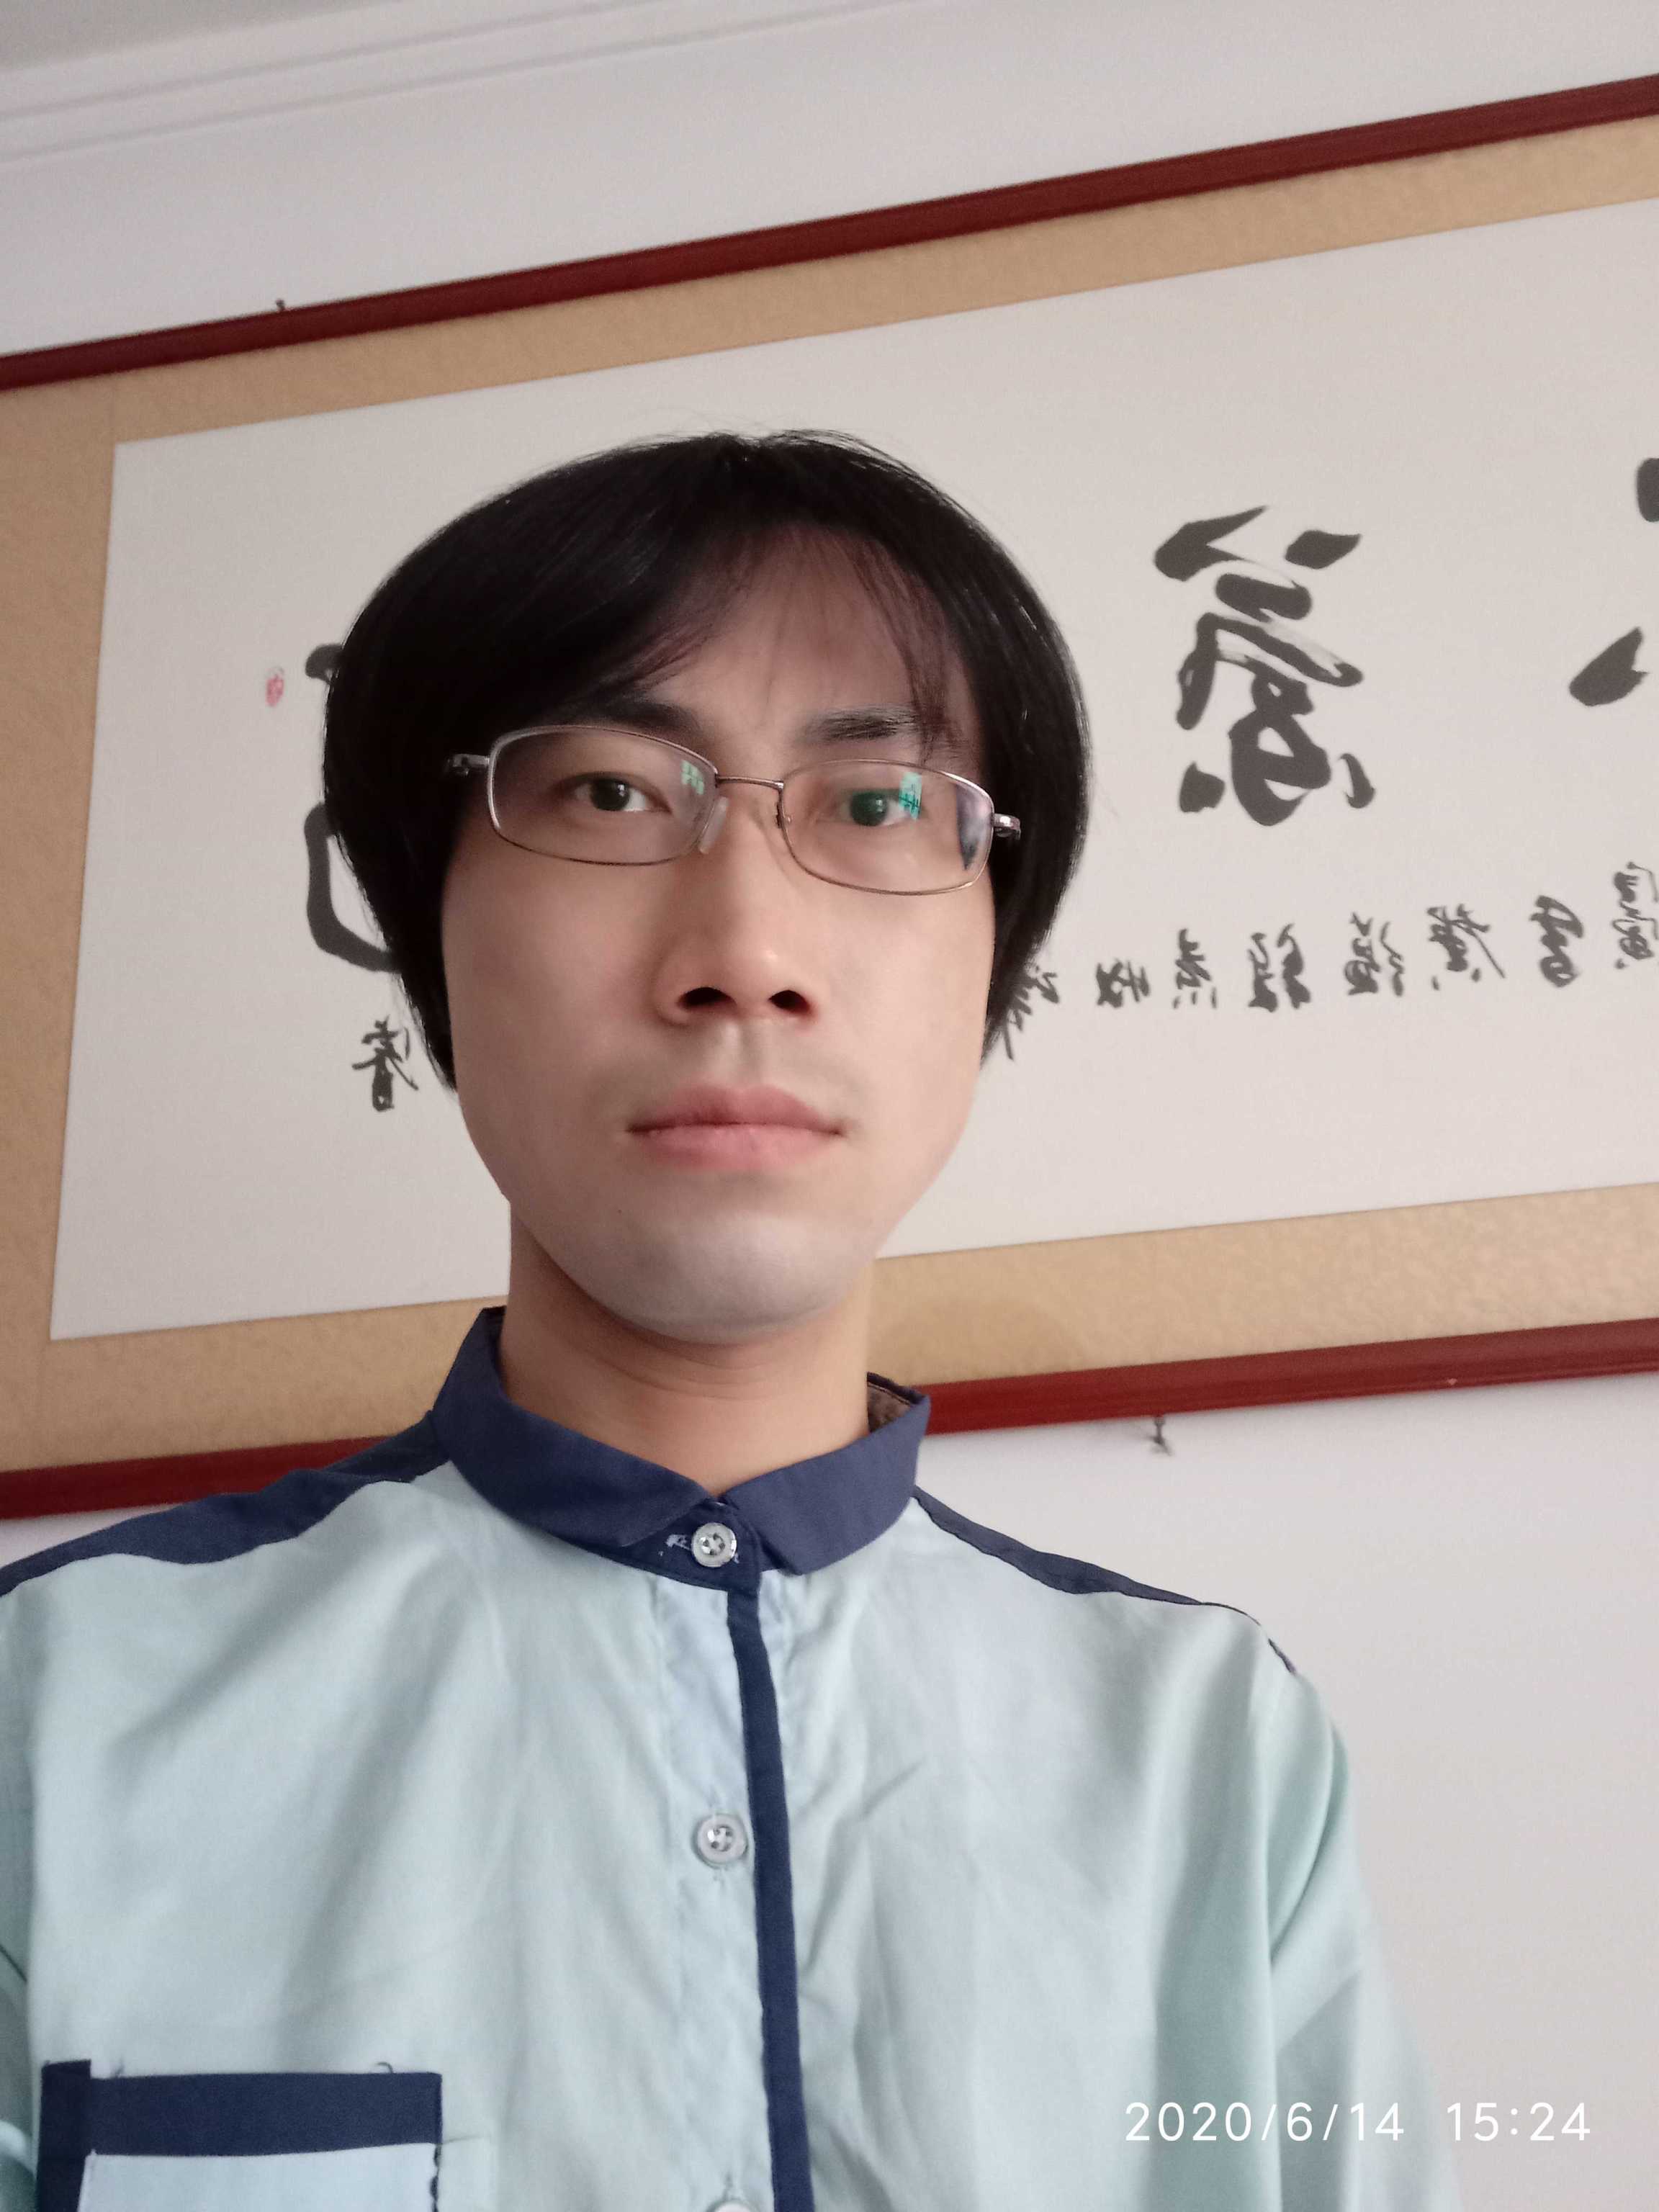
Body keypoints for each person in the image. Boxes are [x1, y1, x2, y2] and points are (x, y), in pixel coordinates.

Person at [0, 431, 1459, 2211]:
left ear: (993, 955)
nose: (745, 951)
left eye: (878, 804)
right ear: (425, 927)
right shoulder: (55, 1711)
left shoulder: (1205, 1745)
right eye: (611, 793)